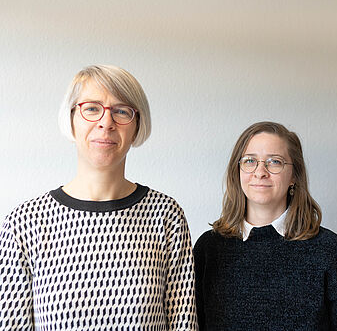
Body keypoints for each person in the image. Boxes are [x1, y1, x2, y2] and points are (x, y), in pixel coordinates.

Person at [0, 65, 197, 330]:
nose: (106, 122)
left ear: (137, 126)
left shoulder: (166, 216)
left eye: (121, 111)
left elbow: (183, 324)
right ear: (71, 119)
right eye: (92, 108)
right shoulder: (24, 223)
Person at [194, 121, 337, 330]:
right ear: (238, 171)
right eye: (250, 161)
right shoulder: (209, 248)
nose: (260, 172)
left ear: (294, 175)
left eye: (274, 162)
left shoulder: (328, 250)